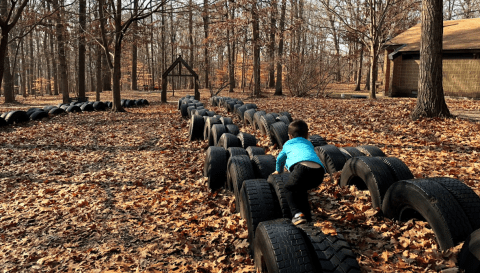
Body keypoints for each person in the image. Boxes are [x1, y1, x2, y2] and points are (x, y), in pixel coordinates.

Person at [272, 120, 325, 225]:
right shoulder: (309, 143)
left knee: (289, 188)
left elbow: (280, 159)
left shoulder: (288, 144)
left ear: (290, 136)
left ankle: (297, 214)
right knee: (301, 190)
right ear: (307, 135)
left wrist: (279, 170)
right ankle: (307, 218)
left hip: (302, 168)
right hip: (319, 172)